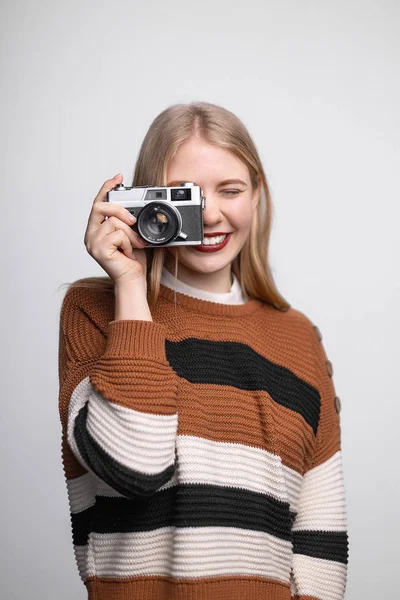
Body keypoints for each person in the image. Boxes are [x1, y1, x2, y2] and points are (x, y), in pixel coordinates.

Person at [58, 101, 349, 600]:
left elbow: (320, 541)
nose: (210, 214)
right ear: (143, 202)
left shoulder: (300, 338)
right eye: (183, 196)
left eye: (230, 190)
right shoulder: (94, 310)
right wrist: (130, 284)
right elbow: (133, 467)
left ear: (256, 194)